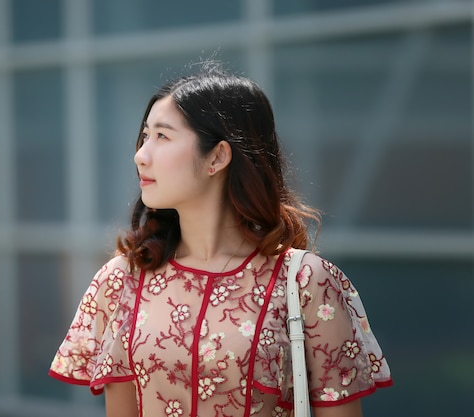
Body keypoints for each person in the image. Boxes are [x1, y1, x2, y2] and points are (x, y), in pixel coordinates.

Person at [49, 63, 392, 417]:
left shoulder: (307, 282)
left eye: (162, 137)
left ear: (217, 157)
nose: (140, 155)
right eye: (145, 136)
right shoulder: (123, 280)